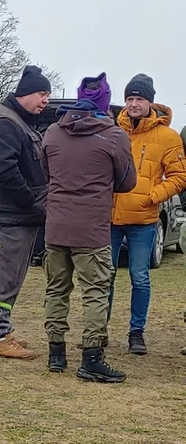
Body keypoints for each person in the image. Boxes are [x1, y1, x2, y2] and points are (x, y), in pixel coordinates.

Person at [41, 94, 136, 382]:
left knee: (56, 288)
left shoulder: (53, 132)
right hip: (91, 228)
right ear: (104, 105)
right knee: (95, 291)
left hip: (56, 225)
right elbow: (127, 181)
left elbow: (46, 171)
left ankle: (56, 354)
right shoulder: (114, 136)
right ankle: (91, 357)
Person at [0, 65, 51, 359]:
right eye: (42, 93)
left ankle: (0, 330)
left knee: (7, 277)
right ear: (25, 93)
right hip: (1, 216)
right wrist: (32, 203)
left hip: (11, 216)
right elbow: (6, 171)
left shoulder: (17, 120)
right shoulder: (4, 122)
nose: (46, 100)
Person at [108, 73, 186, 355]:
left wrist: (153, 197)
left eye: (139, 98)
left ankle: (136, 333)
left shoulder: (168, 137)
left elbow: (179, 176)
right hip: (111, 218)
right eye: (129, 98)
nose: (133, 104)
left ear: (150, 102)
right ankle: (99, 330)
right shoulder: (114, 131)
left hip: (143, 220)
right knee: (106, 276)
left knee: (139, 277)